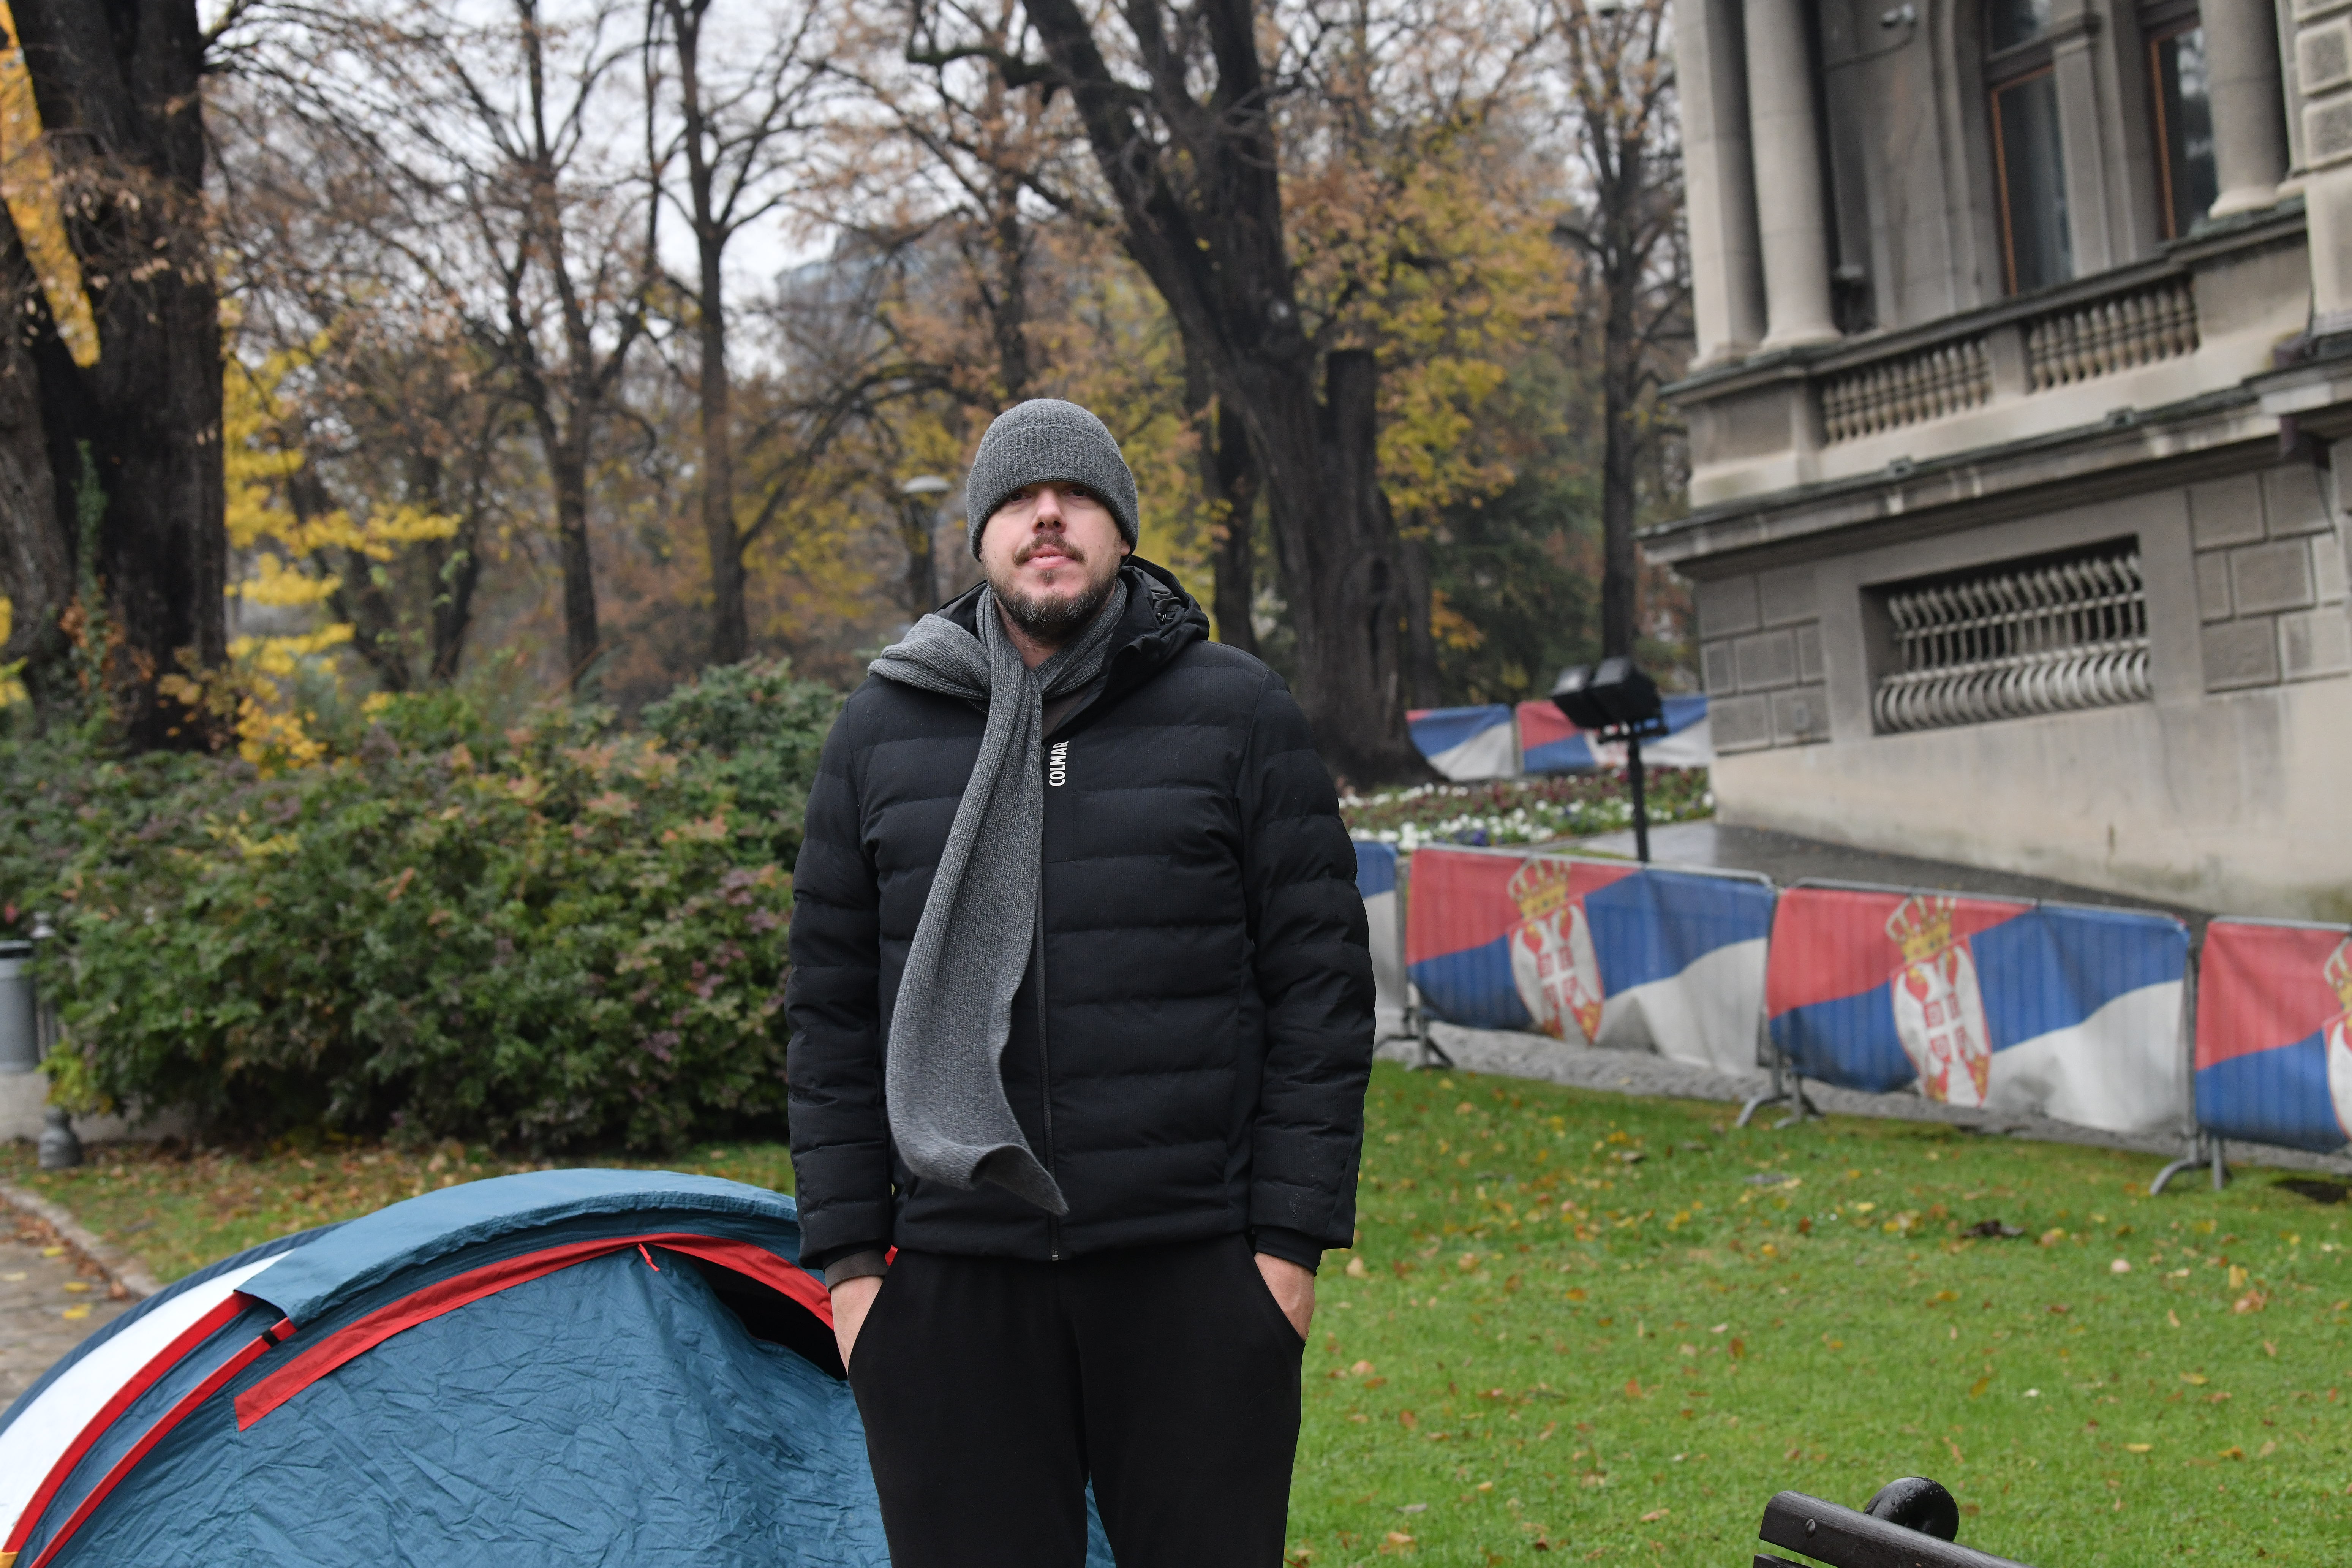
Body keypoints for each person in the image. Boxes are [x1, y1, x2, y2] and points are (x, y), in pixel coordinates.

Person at [786, 397, 1374, 1567]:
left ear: (1121, 531)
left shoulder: (1236, 712)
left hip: (1194, 1280)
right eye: (1016, 497)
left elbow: (1322, 992)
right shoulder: (881, 726)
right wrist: (856, 1278)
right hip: (952, 1287)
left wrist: (1284, 1259)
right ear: (982, 534)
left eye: (1076, 496)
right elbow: (828, 1012)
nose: (1045, 515)